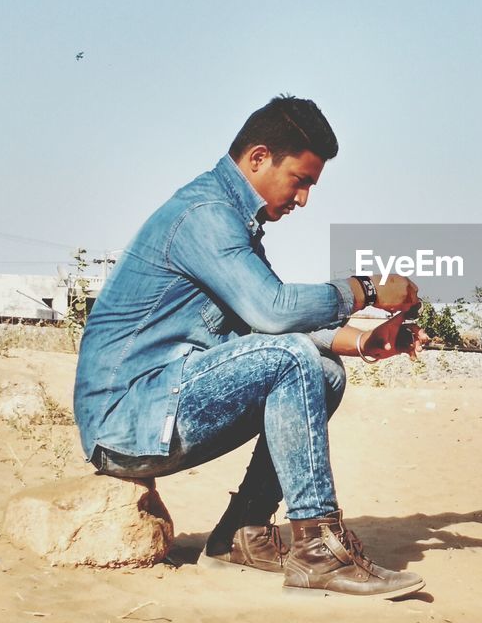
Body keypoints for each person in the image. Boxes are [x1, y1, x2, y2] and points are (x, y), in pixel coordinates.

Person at [74, 95, 428, 599]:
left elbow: (269, 325)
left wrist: (367, 340)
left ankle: (240, 534)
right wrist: (366, 289)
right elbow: (276, 312)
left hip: (160, 410)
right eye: (301, 180)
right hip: (126, 420)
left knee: (324, 372)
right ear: (258, 158)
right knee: (294, 360)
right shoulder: (204, 214)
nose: (303, 198)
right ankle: (317, 548)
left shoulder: (233, 221)